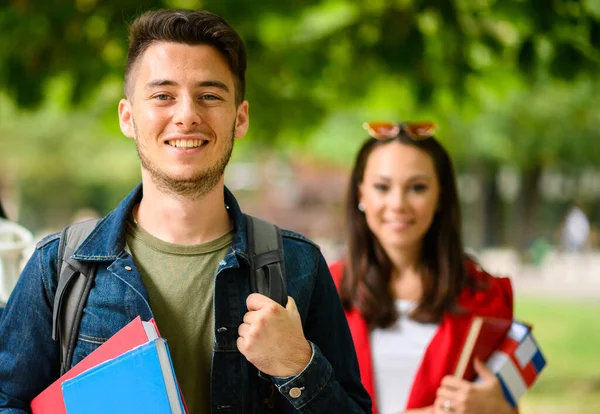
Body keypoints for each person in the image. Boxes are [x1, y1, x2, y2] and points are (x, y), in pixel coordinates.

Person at [0, 10, 371, 413]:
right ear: (128, 117)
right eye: (163, 96)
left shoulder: (300, 265)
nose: (187, 115)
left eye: (209, 96)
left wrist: (297, 366)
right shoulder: (59, 267)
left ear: (240, 117)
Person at [329, 121, 516, 414]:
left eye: (417, 187)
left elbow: (506, 401)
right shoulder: (322, 288)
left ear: (440, 195)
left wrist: (501, 409)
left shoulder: (486, 296)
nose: (398, 203)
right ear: (360, 194)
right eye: (382, 186)